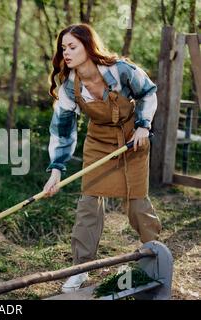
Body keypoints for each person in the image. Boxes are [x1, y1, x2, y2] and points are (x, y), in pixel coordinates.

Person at [43, 24, 162, 293]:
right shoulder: (69, 88)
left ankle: (153, 257)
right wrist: (56, 170)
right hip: (98, 143)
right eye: (64, 48)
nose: (67, 53)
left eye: (73, 47)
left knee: (137, 203)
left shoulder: (120, 70)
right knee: (88, 204)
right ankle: (81, 268)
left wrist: (144, 125)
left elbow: (148, 92)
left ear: (89, 47)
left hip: (133, 141)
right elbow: (62, 130)